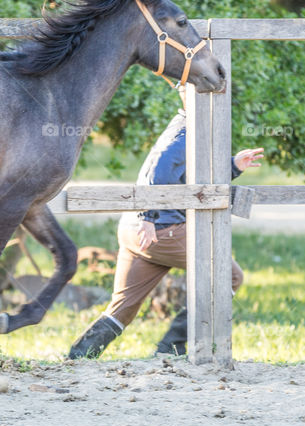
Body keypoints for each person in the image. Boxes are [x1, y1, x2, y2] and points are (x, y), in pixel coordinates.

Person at [68, 103, 263, 359]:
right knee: (229, 276)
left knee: (122, 308)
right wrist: (149, 216)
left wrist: (234, 165)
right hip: (160, 229)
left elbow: (187, 176)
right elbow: (158, 169)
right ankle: (171, 350)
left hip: (134, 229)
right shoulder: (189, 131)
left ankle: (77, 358)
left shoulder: (184, 128)